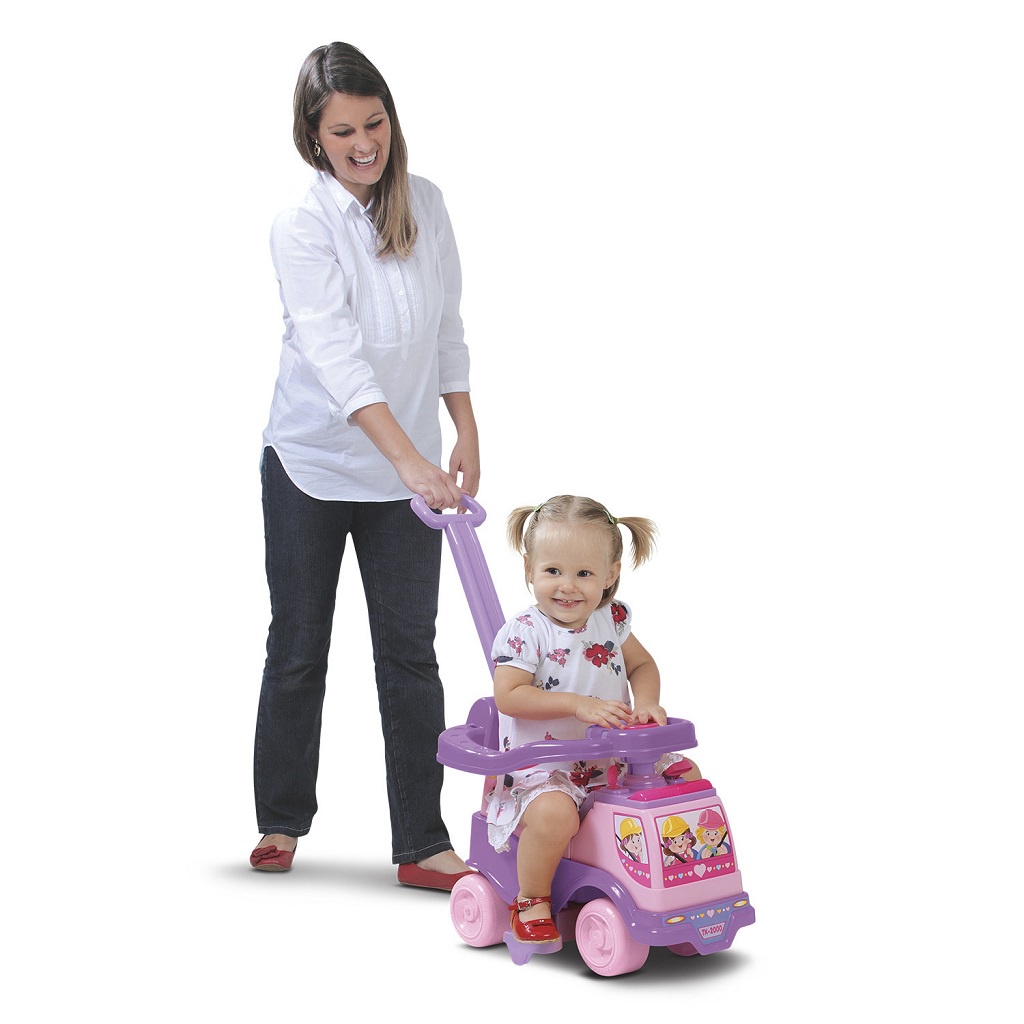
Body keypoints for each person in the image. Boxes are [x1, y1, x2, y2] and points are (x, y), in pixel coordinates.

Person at [250, 41, 479, 891]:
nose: (363, 144)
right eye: (342, 131)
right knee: (298, 647)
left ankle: (422, 843)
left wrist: (463, 428)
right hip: (310, 464)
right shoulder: (301, 226)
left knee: (411, 654)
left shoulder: (427, 204)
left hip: (406, 477)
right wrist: (412, 458)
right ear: (314, 138)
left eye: (373, 123)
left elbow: (447, 328)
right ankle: (280, 820)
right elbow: (338, 359)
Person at [485, 495, 699, 943]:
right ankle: (531, 898)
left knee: (685, 776)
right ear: (529, 569)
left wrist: (647, 702)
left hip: (612, 759)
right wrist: (576, 704)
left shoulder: (611, 619)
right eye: (553, 571)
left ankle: (681, 879)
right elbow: (508, 696)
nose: (567, 586)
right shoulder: (526, 631)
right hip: (544, 767)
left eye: (584, 573)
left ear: (610, 575)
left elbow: (642, 665)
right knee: (555, 816)